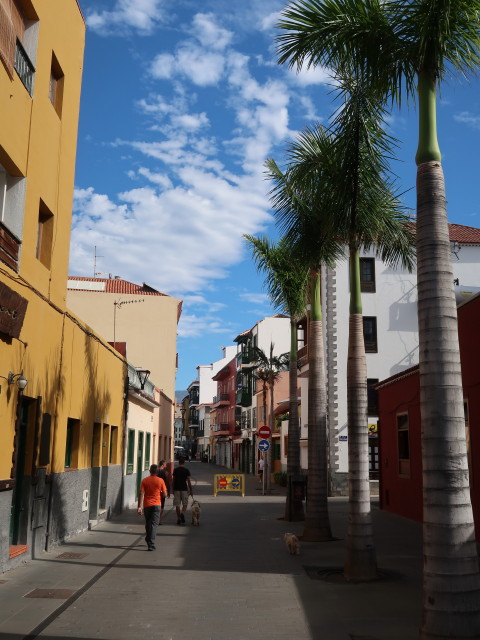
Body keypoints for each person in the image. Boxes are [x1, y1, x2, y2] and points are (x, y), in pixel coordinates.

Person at [137, 464, 167, 550]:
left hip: (147, 505)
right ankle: (151, 544)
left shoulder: (145, 480)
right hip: (157, 505)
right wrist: (161, 492)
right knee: (154, 524)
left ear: (150, 471)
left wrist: (139, 507)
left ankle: (148, 538)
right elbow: (165, 494)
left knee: (148, 523)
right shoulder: (161, 481)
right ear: (157, 472)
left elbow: (141, 493)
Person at [172, 457, 193, 525]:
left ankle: (179, 518)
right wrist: (191, 490)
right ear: (184, 463)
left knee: (177, 505)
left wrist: (173, 488)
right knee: (185, 503)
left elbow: (173, 480)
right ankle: (182, 513)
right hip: (184, 489)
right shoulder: (186, 470)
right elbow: (189, 481)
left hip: (177, 489)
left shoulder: (175, 470)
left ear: (179, 463)